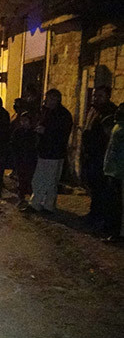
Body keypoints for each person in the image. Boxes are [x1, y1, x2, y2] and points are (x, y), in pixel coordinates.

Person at [24, 89, 73, 214]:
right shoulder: (46, 111)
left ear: (57, 100)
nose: (48, 101)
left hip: (54, 152)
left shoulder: (63, 115)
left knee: (50, 180)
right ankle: (37, 203)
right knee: (39, 179)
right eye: (48, 98)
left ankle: (48, 205)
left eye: (52, 99)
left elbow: (62, 134)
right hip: (44, 150)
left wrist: (46, 131)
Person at [81, 87, 117, 227]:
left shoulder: (110, 112)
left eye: (100, 96)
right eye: (95, 95)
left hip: (100, 154)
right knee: (93, 185)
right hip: (91, 153)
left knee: (100, 186)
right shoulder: (93, 109)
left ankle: (100, 215)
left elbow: (106, 135)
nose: (96, 98)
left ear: (107, 97)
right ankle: (94, 212)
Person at [103, 103, 124, 241]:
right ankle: (114, 230)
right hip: (114, 170)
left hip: (118, 171)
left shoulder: (121, 129)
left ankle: (118, 233)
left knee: (117, 204)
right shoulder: (118, 126)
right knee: (113, 203)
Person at [10, 112, 38, 208]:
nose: (23, 123)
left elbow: (35, 146)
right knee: (21, 179)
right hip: (20, 159)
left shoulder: (34, 133)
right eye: (22, 121)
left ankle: (32, 199)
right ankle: (21, 198)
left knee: (30, 179)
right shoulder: (18, 132)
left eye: (25, 120)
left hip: (30, 160)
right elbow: (13, 143)